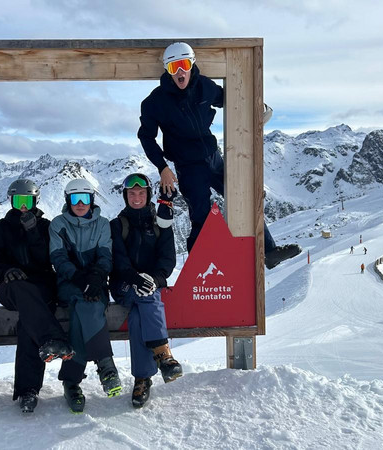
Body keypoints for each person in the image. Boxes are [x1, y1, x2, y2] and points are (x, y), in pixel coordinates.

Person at [138, 41, 301, 268]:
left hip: (214, 158)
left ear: (192, 63)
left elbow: (231, 98)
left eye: (184, 64)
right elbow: (146, 136)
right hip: (189, 166)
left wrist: (257, 108)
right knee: (201, 218)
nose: (180, 72)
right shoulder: (155, 102)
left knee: (245, 199)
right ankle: (198, 269)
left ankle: (270, 252)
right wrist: (162, 167)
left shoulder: (205, 87)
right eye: (174, 68)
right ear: (167, 70)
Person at [0, 179, 74, 414]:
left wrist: (33, 232)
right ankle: (54, 339)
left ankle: (28, 391)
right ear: (11, 201)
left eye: (27, 201)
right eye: (18, 201)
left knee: (28, 321)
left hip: (42, 286)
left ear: (35, 201)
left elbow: (49, 259)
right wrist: (5, 271)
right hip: (11, 287)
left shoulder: (46, 227)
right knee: (23, 291)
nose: (23, 206)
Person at [109, 173, 182, 409]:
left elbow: (167, 259)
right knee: (147, 296)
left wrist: (156, 278)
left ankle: (142, 378)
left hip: (151, 283)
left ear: (148, 195)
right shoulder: (118, 225)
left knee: (139, 315)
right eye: (132, 194)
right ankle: (163, 354)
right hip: (123, 284)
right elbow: (118, 261)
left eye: (141, 193)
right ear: (125, 196)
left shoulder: (160, 223)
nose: (137, 197)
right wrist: (135, 278)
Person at [49, 178, 119, 413]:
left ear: (92, 200)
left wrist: (97, 278)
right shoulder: (58, 224)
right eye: (75, 199)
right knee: (82, 301)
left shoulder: (102, 224)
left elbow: (105, 256)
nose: (80, 204)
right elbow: (58, 258)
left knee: (82, 312)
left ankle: (71, 381)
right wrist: (80, 279)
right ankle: (106, 365)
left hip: (95, 282)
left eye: (85, 199)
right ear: (68, 201)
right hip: (69, 283)